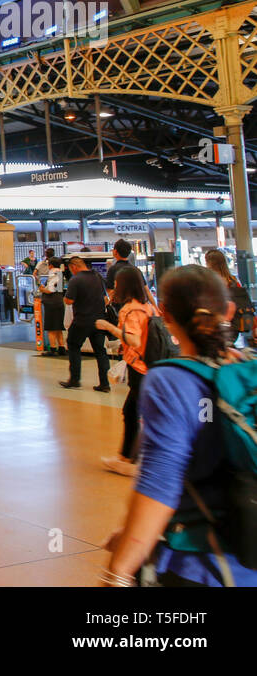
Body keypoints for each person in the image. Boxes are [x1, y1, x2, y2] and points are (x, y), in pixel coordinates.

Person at [100, 264, 257, 587]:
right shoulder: (250, 368)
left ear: (166, 315)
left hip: (203, 564)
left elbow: (160, 485)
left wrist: (118, 570)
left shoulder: (171, 381)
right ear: (228, 310)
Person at [94, 266, 158, 477]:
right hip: (151, 366)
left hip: (139, 368)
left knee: (134, 413)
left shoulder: (129, 309)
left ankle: (132, 459)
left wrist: (110, 328)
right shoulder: (148, 307)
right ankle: (127, 457)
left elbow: (135, 339)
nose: (114, 287)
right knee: (132, 412)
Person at [60, 255, 110, 392]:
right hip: (99, 321)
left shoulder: (75, 280)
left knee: (73, 346)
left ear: (74, 267)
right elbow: (106, 297)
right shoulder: (97, 276)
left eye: (71, 269)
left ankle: (75, 379)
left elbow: (69, 301)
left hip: (82, 320)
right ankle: (105, 383)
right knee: (101, 351)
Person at [204, 249, 252, 347]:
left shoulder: (209, 281)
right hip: (235, 323)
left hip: (217, 324)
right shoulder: (234, 280)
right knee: (227, 349)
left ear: (209, 263)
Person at [40, 256, 66, 356]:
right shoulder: (61, 273)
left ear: (50, 265)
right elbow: (58, 288)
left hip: (51, 303)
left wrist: (42, 289)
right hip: (59, 301)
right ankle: (61, 347)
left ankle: (52, 349)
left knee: (51, 327)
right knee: (58, 326)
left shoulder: (53, 273)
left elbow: (50, 290)